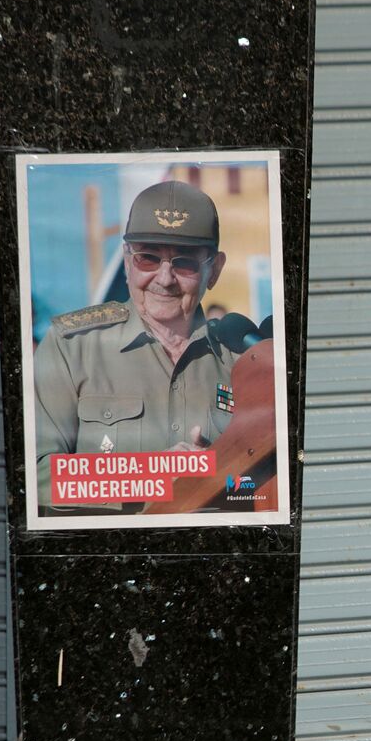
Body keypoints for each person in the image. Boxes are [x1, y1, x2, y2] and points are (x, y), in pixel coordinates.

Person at [32, 180, 243, 514]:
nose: (164, 278)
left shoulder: (243, 359)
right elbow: (36, 472)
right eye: (148, 258)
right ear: (128, 260)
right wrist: (151, 475)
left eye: (184, 262)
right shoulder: (71, 347)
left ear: (214, 270)